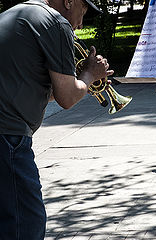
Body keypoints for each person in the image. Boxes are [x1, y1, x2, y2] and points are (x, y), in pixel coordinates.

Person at [0, 0, 114, 239]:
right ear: (69, 2)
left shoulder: (14, 15)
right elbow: (68, 97)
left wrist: (85, 78)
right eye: (82, 12)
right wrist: (90, 74)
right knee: (26, 224)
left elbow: (38, 90)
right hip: (8, 136)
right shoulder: (55, 21)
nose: (81, 23)